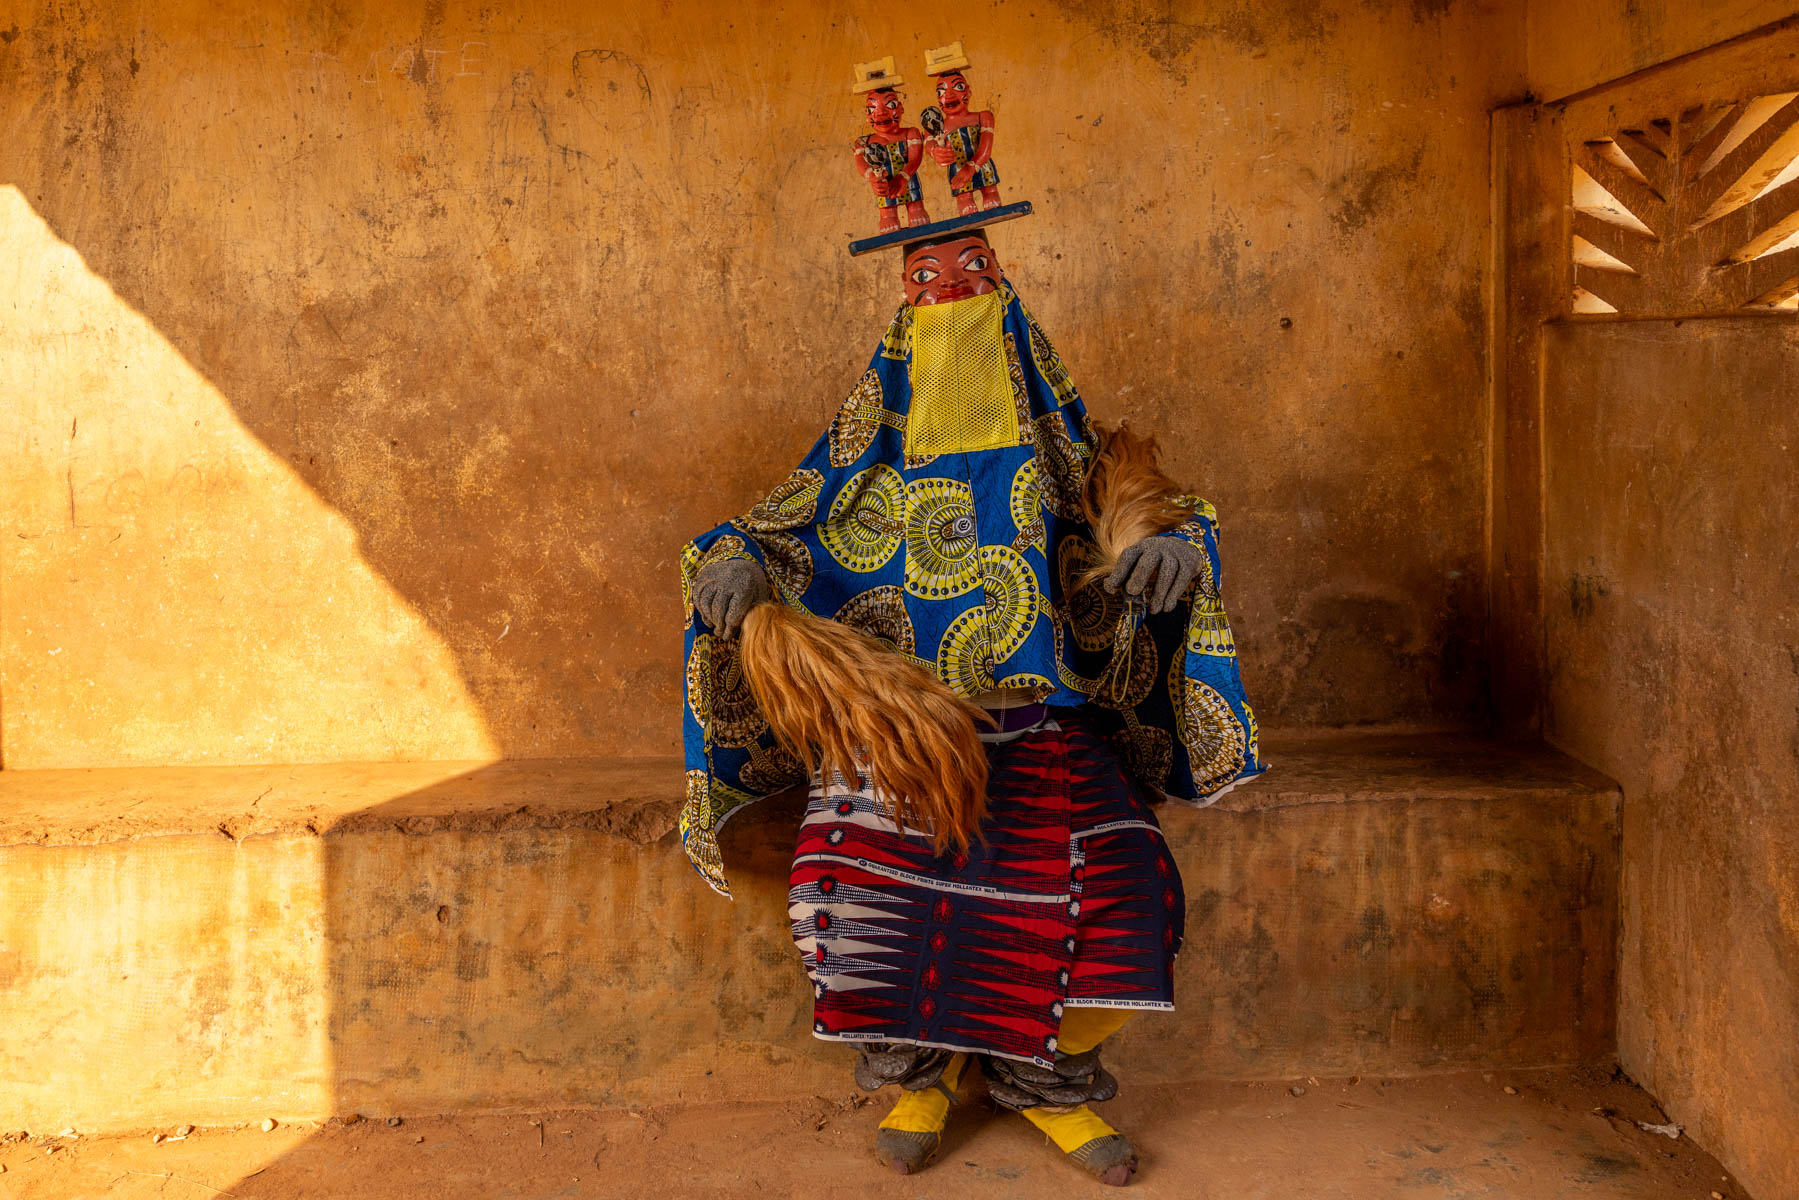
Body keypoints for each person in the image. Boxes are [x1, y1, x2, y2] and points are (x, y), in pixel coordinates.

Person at [678, 227, 1263, 1185]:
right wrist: (735, 562)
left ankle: (1049, 1086)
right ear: (902, 310)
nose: (952, 292)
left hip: (1044, 737)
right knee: (852, 901)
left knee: (1122, 898)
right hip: (894, 744)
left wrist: (1173, 548)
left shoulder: (1067, 449)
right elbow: (767, 529)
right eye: (925, 278)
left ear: (1010, 288)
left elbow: (1155, 505)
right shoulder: (857, 458)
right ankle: (921, 1078)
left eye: (974, 273)